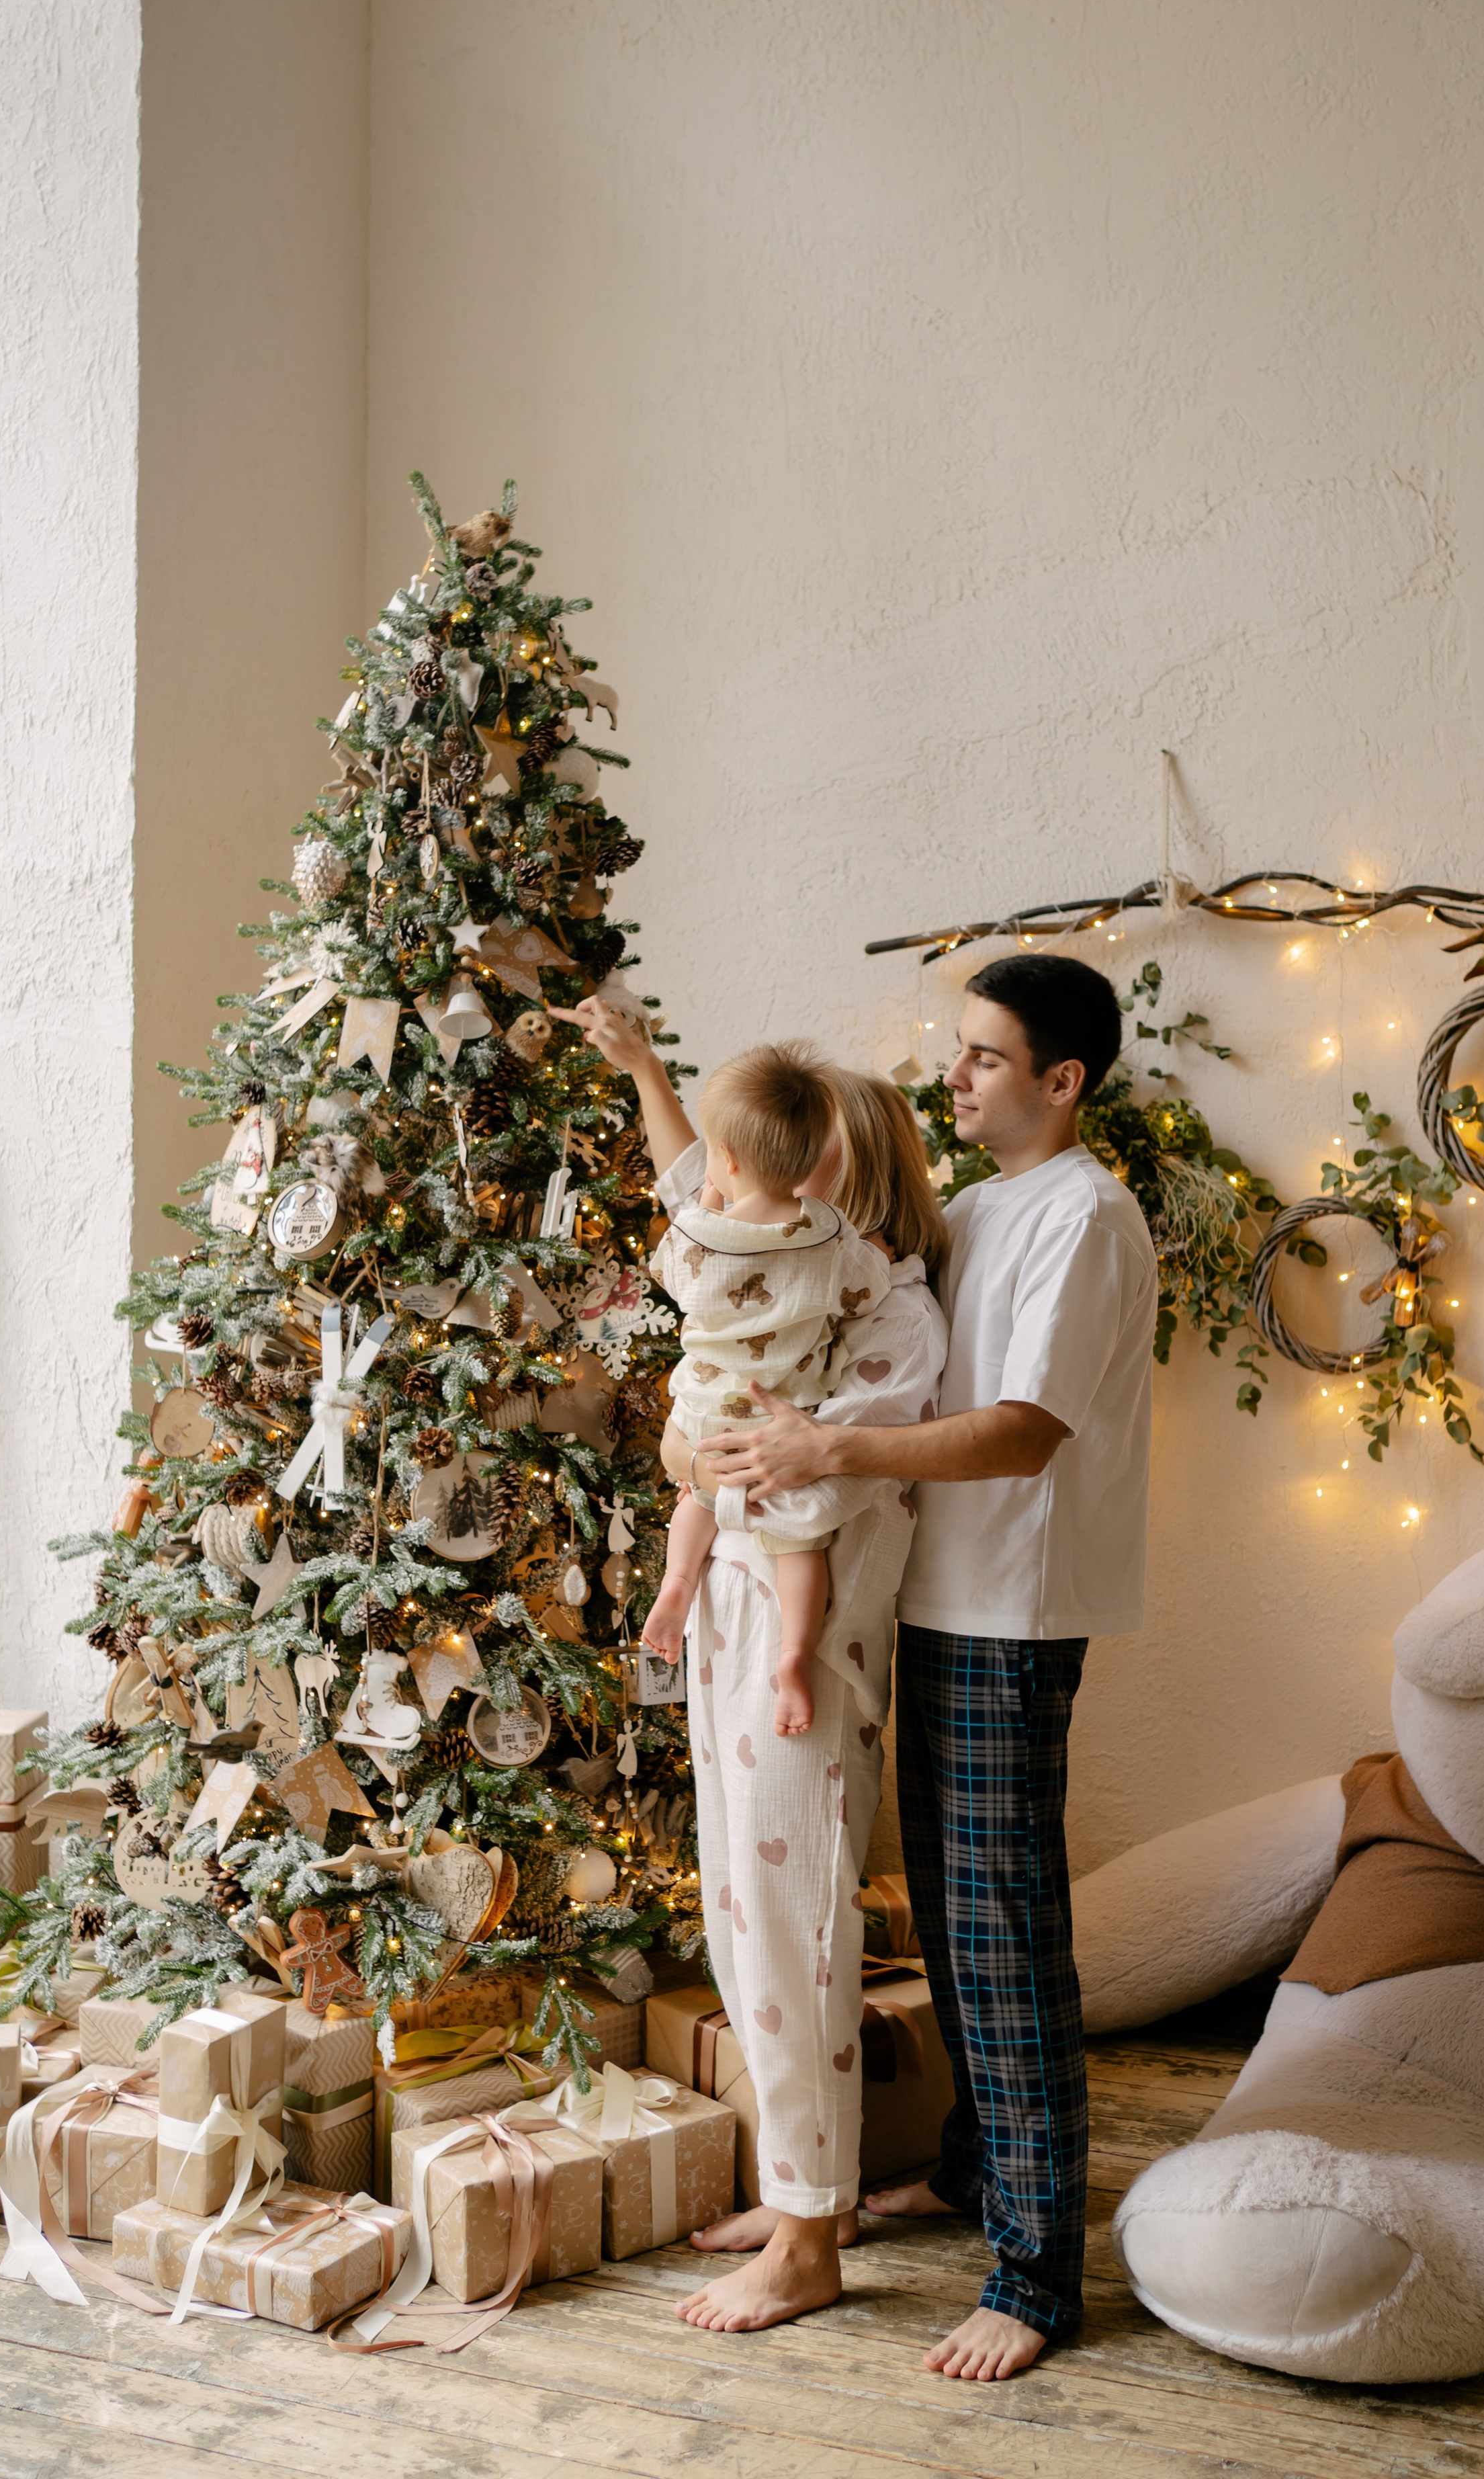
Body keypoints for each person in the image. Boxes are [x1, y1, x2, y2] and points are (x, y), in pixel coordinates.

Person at [698, 954, 1158, 2382]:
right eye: (957, 1051)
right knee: (956, 1926)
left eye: (983, 1058)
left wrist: (822, 1447)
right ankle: (969, 2176)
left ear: (1061, 1082)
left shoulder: (1083, 1217)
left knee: (1000, 1936)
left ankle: (1033, 2277)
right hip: (941, 1600)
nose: (951, 1075)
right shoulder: (976, 1206)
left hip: (1011, 1613)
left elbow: (1024, 1430)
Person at [555, 997, 947, 2333]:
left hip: (806, 1658)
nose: (750, 1194)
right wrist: (641, 1066)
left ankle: (808, 2237)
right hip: (730, 1624)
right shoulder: (777, 1270)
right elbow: (694, 1184)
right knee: (739, 1918)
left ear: (843, 1182)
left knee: (790, 1932)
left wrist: (702, 1457)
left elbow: (809, 1482)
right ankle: (803, 2201)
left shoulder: (887, 1310)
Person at [643, 1042, 889, 1737]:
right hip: (785, 1419)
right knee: (798, 1544)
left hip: (703, 1410)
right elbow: (865, 1293)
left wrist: (709, 1204)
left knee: (697, 1496)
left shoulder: (697, 1235)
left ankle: (676, 1585)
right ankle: (793, 1656)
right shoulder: (830, 1234)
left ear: (725, 1159)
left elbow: (669, 1275)